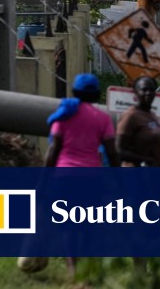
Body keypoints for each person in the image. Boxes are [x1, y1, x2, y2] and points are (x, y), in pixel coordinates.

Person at [44, 73, 119, 280]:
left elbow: (53, 149)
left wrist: (43, 180)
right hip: (91, 178)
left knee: (68, 225)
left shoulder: (64, 114)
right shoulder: (103, 119)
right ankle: (87, 272)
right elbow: (112, 152)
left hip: (64, 175)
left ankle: (72, 270)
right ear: (96, 95)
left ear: (75, 92)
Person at [116, 76, 160, 167]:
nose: (148, 93)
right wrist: (147, 160)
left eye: (151, 90)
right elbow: (119, 151)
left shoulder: (153, 116)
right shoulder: (130, 116)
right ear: (135, 92)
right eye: (144, 89)